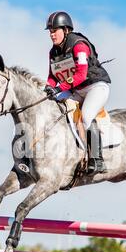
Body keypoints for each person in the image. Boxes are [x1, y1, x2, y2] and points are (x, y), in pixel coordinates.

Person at [43, 11, 111, 176]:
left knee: (86, 117)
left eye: (55, 30)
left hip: (95, 87)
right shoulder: (53, 52)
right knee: (54, 107)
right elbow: (52, 77)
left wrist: (60, 88)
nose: (52, 35)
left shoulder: (79, 45)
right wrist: (47, 89)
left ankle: (97, 159)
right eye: (50, 31)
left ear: (66, 30)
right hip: (76, 90)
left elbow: (81, 74)